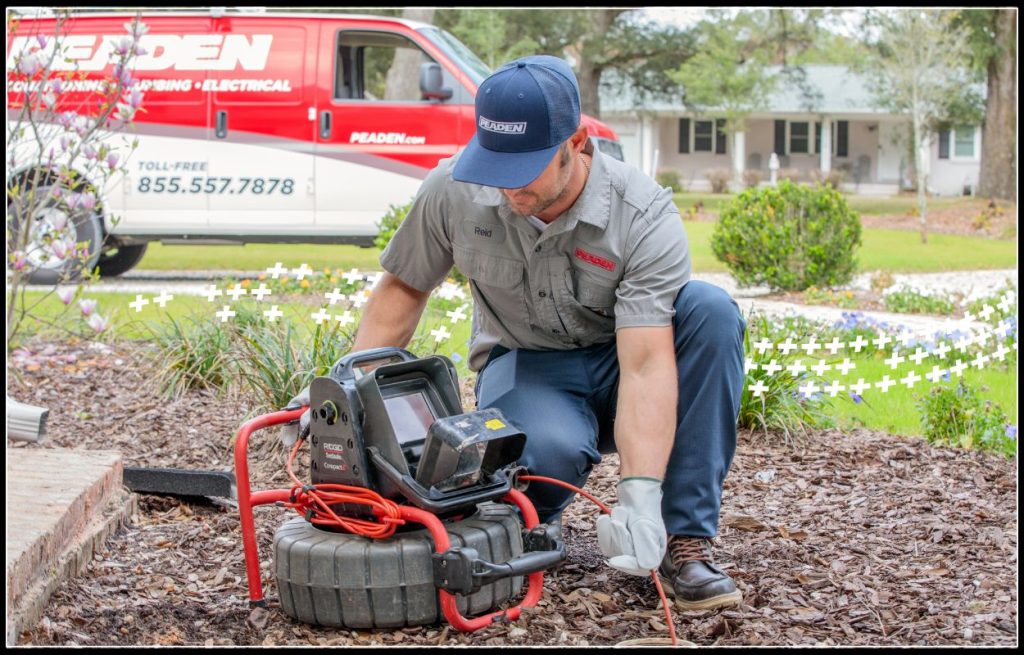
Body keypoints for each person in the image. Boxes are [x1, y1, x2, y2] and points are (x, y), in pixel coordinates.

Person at [284, 55, 747, 610]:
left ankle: (684, 541)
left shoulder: (640, 213)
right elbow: (404, 289)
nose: (505, 187)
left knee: (710, 311)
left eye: (522, 168)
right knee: (539, 461)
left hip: (629, 365)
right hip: (530, 363)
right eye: (493, 164)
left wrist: (640, 491)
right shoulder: (454, 189)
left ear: (576, 142)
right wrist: (345, 392)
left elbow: (647, 364)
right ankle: (527, 514)